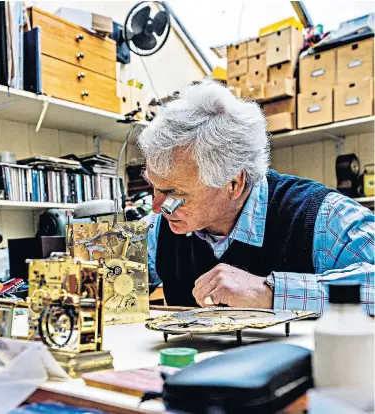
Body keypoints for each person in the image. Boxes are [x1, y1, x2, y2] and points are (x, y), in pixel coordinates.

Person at [138, 79, 374, 315]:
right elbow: (116, 285)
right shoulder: (159, 228)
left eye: (174, 193)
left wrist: (269, 292)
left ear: (234, 183)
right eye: (154, 187)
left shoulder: (322, 217)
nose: (157, 207)